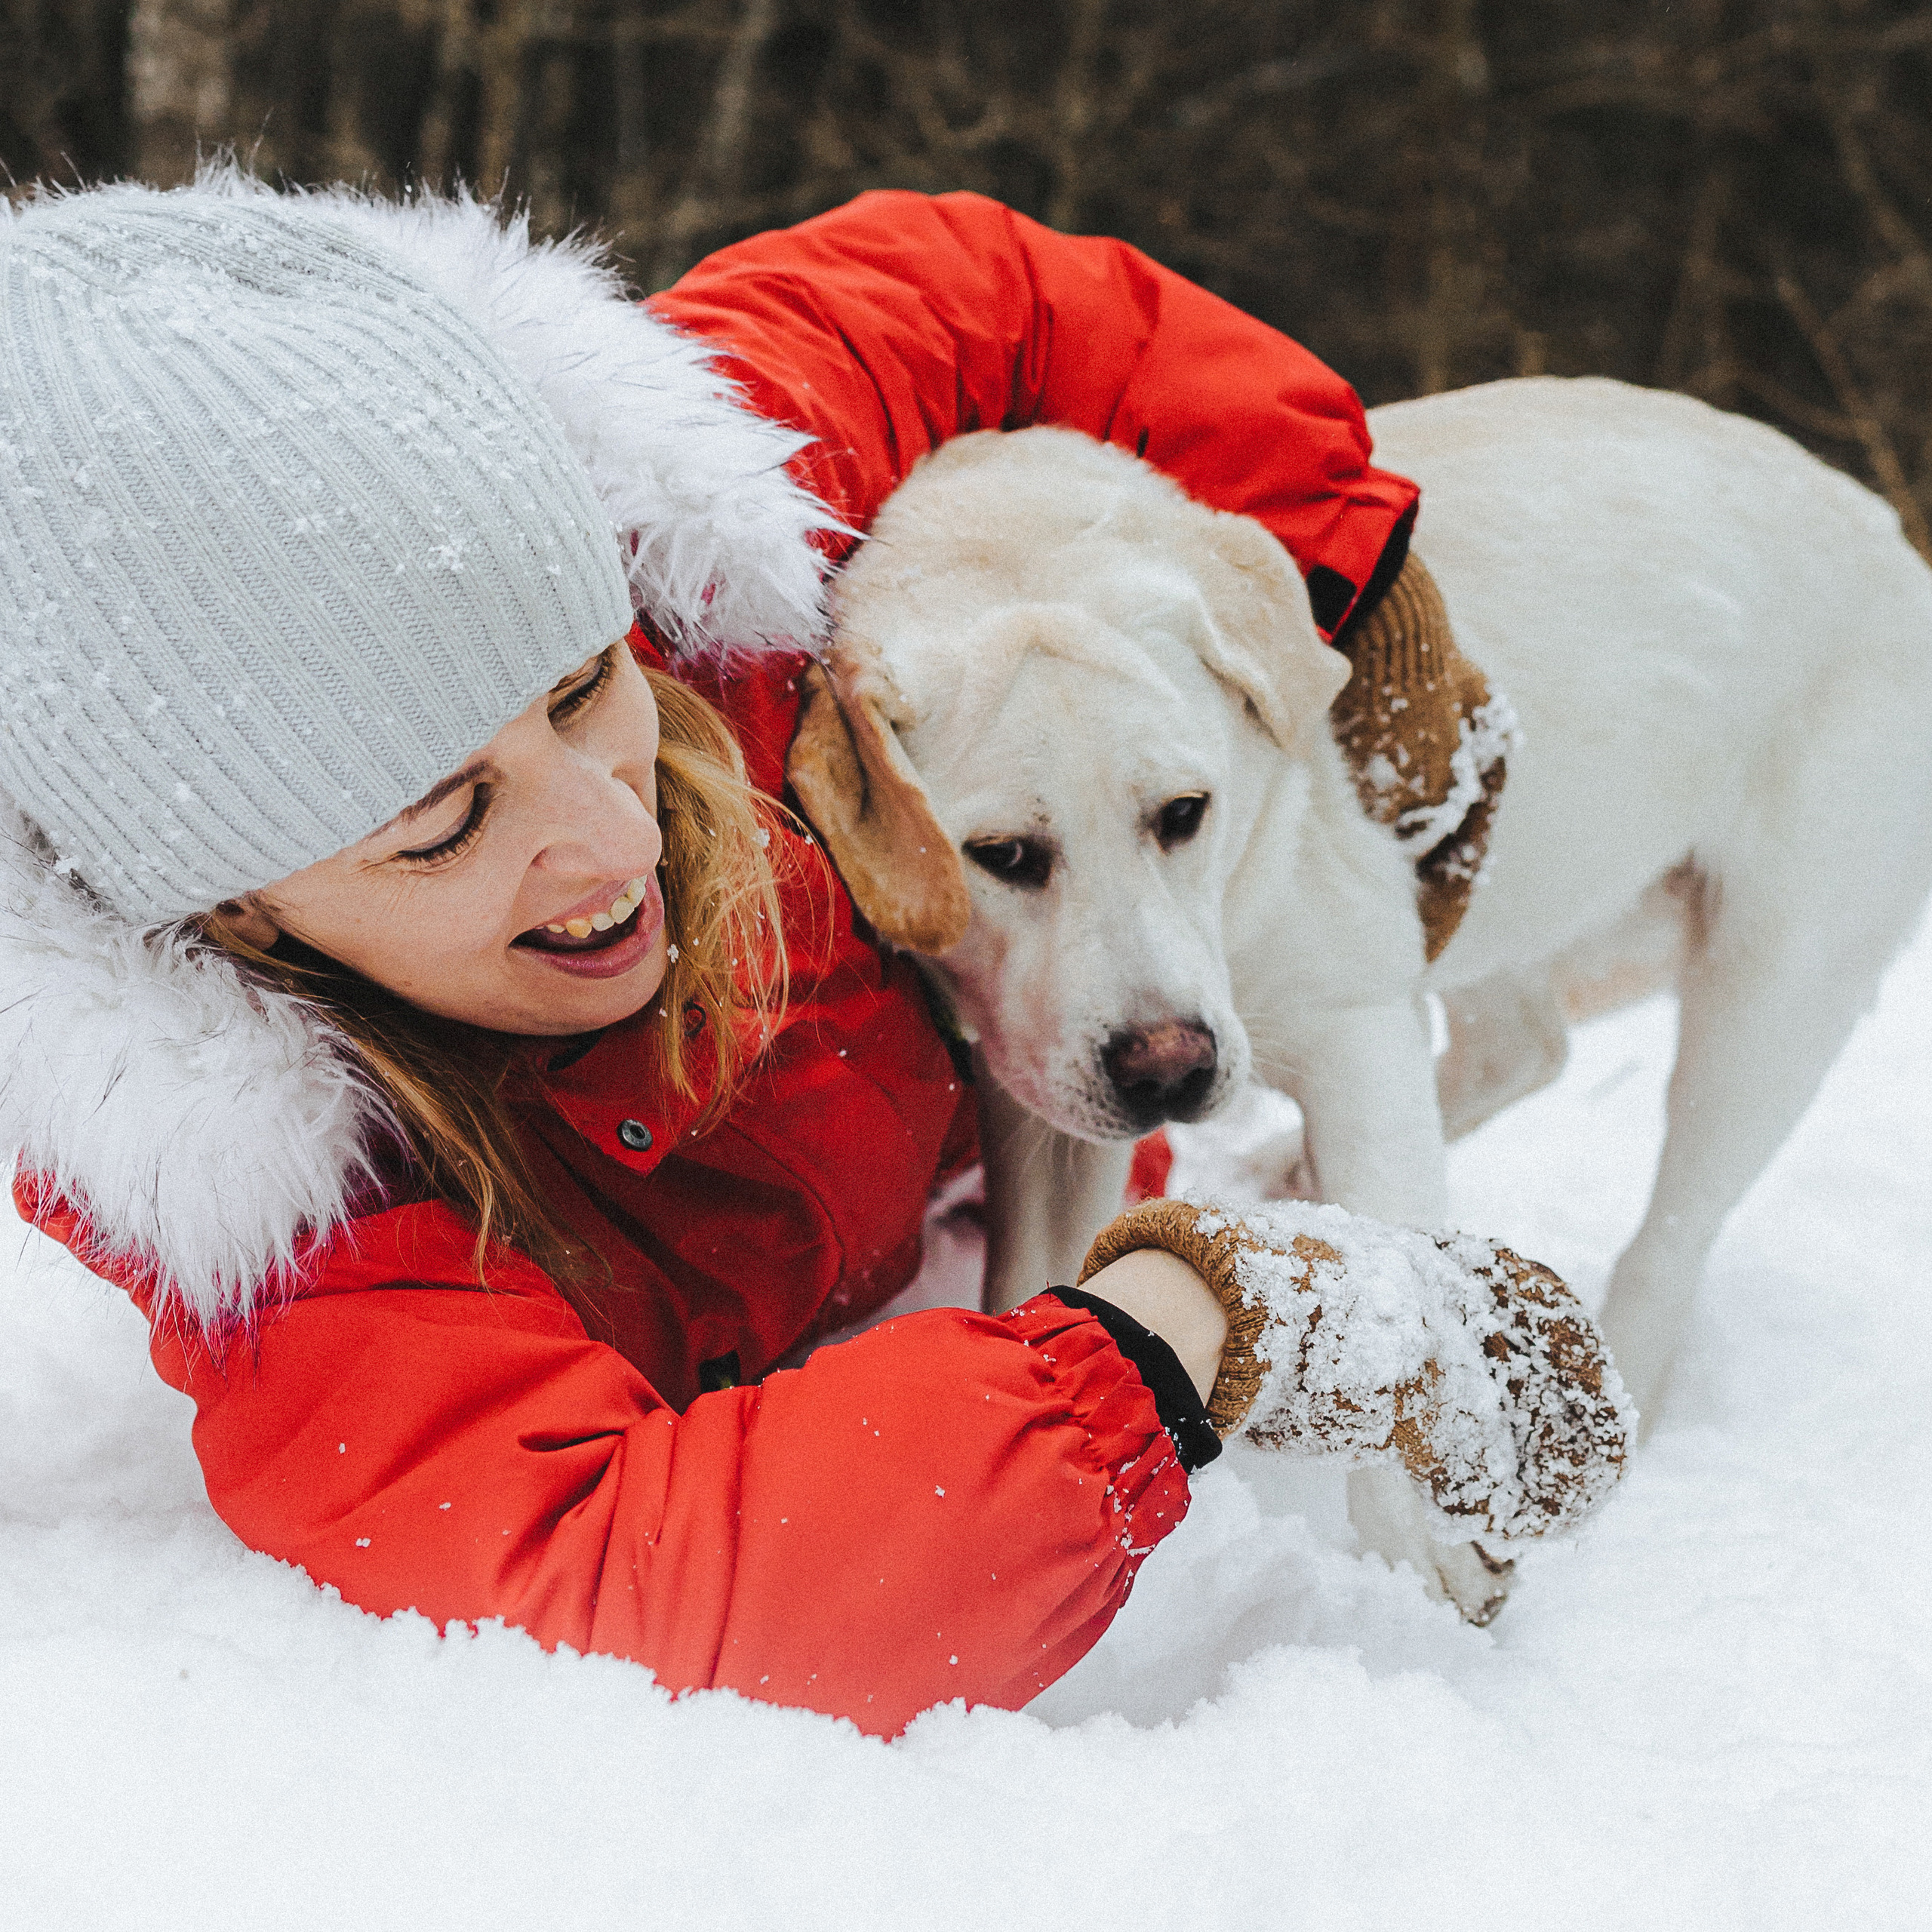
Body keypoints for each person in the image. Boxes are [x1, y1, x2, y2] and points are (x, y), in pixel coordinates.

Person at [0, 176, 1627, 1737]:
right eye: (443, 822)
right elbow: (645, 1579)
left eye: (580, 690)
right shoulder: (303, 1241)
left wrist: (1342, 557)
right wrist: (1177, 1321)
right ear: (232, 906)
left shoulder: (702, 542)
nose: (610, 837)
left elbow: (980, 284)